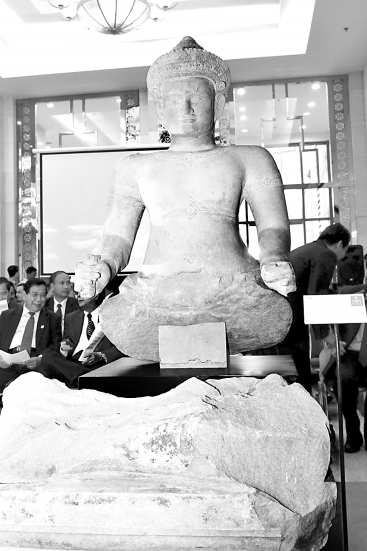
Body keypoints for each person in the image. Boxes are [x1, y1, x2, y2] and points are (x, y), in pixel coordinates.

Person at [74, 36, 295, 362]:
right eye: (175, 100)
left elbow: (273, 226)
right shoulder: (134, 167)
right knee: (120, 321)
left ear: (218, 105)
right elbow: (117, 236)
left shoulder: (250, 159)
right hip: (155, 294)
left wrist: (274, 258)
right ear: (161, 110)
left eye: (197, 98)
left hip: (236, 289)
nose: (186, 109)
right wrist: (103, 265)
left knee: (271, 317)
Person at [0, 278, 62, 453]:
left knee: (32, 389)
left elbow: (55, 347)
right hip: (9, 361)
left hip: (35, 362)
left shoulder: (52, 318)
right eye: (34, 295)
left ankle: (29, 438)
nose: (39, 299)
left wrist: (41, 359)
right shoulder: (8, 316)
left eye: (43, 295)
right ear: (24, 295)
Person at [284, 223, 351, 392]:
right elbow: (316, 295)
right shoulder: (326, 254)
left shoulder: (308, 250)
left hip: (284, 316)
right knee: (301, 380)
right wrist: (326, 335)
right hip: (293, 321)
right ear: (340, 244)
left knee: (294, 376)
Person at [41, 288, 124, 388]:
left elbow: (123, 347)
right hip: (74, 363)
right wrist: (64, 348)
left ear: (96, 295)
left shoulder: (111, 317)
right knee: (47, 356)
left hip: (97, 361)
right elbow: (67, 343)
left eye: (83, 292)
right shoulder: (71, 318)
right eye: (77, 293)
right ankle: (85, 377)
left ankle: (78, 378)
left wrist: (101, 355)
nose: (78, 295)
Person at [322, 317, 367, 453]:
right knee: (343, 379)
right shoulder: (350, 302)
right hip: (348, 352)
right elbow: (318, 323)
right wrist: (332, 340)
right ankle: (353, 434)